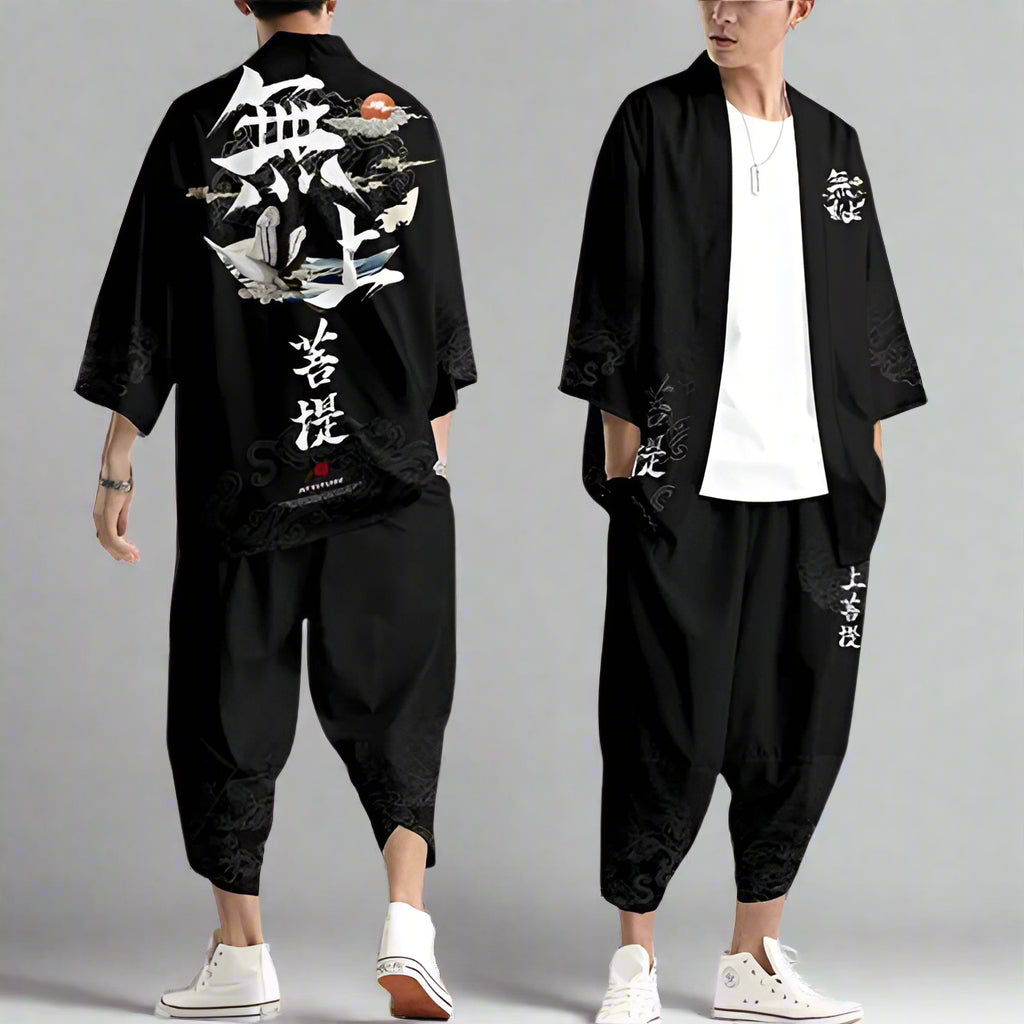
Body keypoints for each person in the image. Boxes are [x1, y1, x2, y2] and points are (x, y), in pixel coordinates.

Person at [73, 1, 476, 1018]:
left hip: (245, 479)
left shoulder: (198, 123)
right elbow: (434, 307)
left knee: (226, 700)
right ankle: (407, 922)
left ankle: (242, 955)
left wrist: (119, 459)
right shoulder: (403, 119)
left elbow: (150, 297)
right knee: (400, 699)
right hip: (384, 467)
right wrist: (431, 443)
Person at [558, 3, 926, 1022]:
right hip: (685, 486)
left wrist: (866, 469)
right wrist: (628, 470)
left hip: (816, 494)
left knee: (802, 718)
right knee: (657, 715)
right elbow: (610, 290)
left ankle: (751, 956)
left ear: (799, 6)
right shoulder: (652, 123)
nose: (721, 12)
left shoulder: (835, 148)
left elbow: (867, 316)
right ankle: (635, 958)